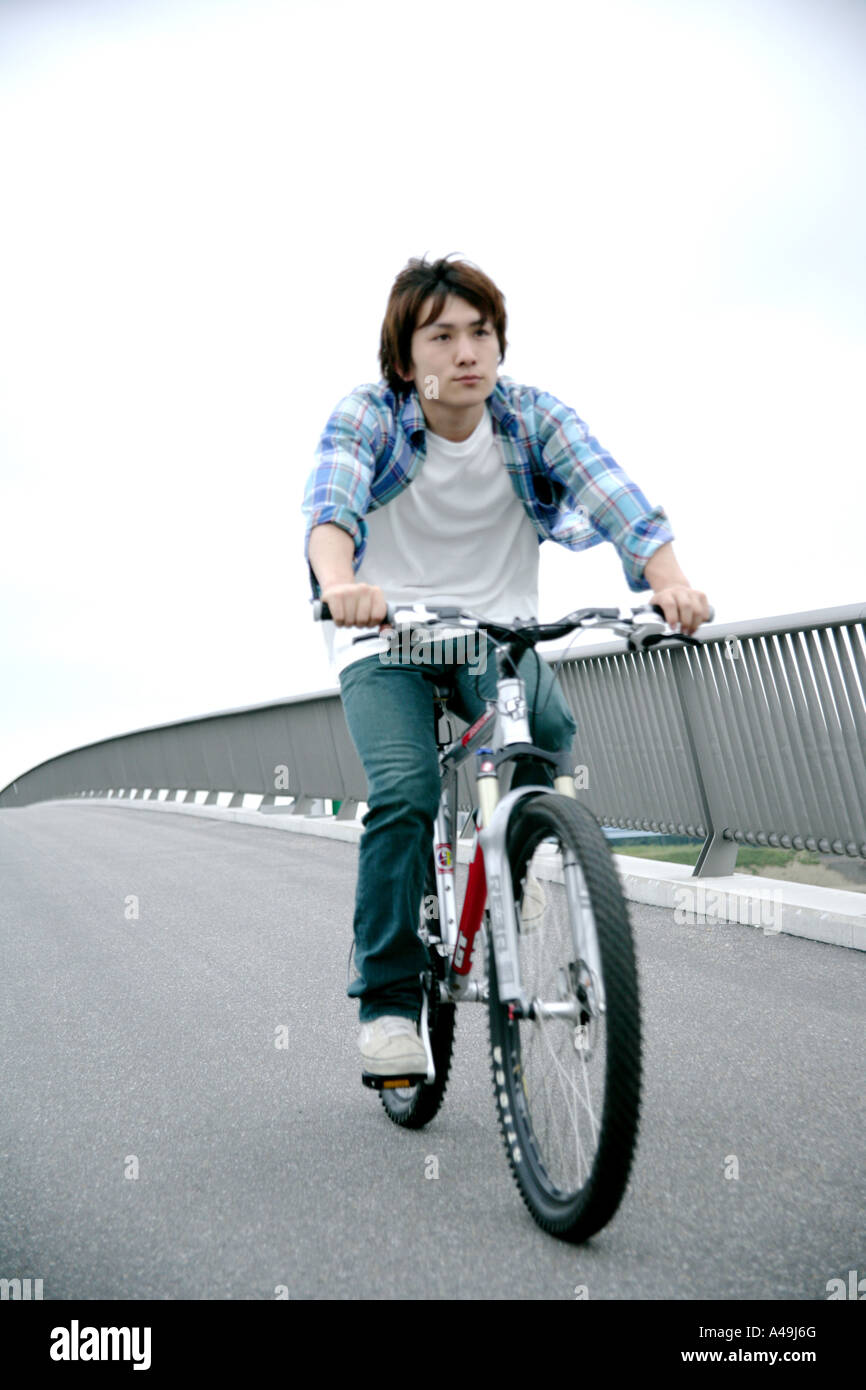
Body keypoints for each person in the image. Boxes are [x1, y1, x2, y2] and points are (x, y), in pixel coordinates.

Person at [302, 252, 711, 1082]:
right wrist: (342, 585)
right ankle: (387, 1003)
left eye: (481, 334)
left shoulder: (531, 418)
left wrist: (669, 582)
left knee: (550, 730)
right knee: (407, 792)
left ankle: (516, 860)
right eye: (443, 336)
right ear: (403, 359)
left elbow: (615, 494)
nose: (466, 353)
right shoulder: (369, 416)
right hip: (389, 638)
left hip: (495, 635)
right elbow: (331, 505)